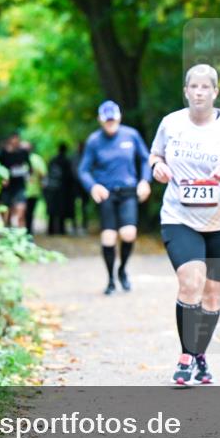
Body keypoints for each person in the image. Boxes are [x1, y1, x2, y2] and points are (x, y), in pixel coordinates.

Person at [149, 64, 220, 386]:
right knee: (190, 283)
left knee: (211, 297)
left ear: (215, 92)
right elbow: (155, 156)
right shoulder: (171, 124)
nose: (198, 92)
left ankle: (200, 354)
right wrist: (158, 168)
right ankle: (185, 356)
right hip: (180, 217)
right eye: (193, 87)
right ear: (185, 91)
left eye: (205, 87)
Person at [78, 101, 152, 294]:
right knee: (109, 237)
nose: (110, 123)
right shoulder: (94, 141)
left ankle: (122, 270)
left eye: (113, 119)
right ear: (100, 121)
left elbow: (145, 159)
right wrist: (93, 186)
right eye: (107, 121)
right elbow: (83, 170)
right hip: (107, 193)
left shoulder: (131, 135)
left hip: (128, 191)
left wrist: (145, 181)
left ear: (119, 117)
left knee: (129, 233)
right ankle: (110, 279)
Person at [0, 132, 31, 229]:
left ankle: (20, 228)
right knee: (6, 207)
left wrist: (29, 176)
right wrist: (2, 179)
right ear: (10, 141)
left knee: (21, 206)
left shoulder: (23, 153)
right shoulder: (3, 153)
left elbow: (29, 166)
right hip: (7, 185)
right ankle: (6, 224)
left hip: (20, 184)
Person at [44, 143, 73, 235]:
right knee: (61, 209)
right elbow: (69, 176)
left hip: (52, 188)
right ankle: (61, 230)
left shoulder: (53, 160)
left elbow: (48, 173)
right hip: (62, 189)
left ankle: (51, 229)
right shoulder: (67, 161)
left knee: (52, 209)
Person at [24, 145, 46, 238]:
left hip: (30, 191)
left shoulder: (36, 159)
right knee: (28, 212)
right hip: (31, 191)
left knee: (26, 212)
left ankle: (26, 231)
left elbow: (43, 174)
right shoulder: (37, 159)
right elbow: (43, 174)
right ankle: (27, 230)